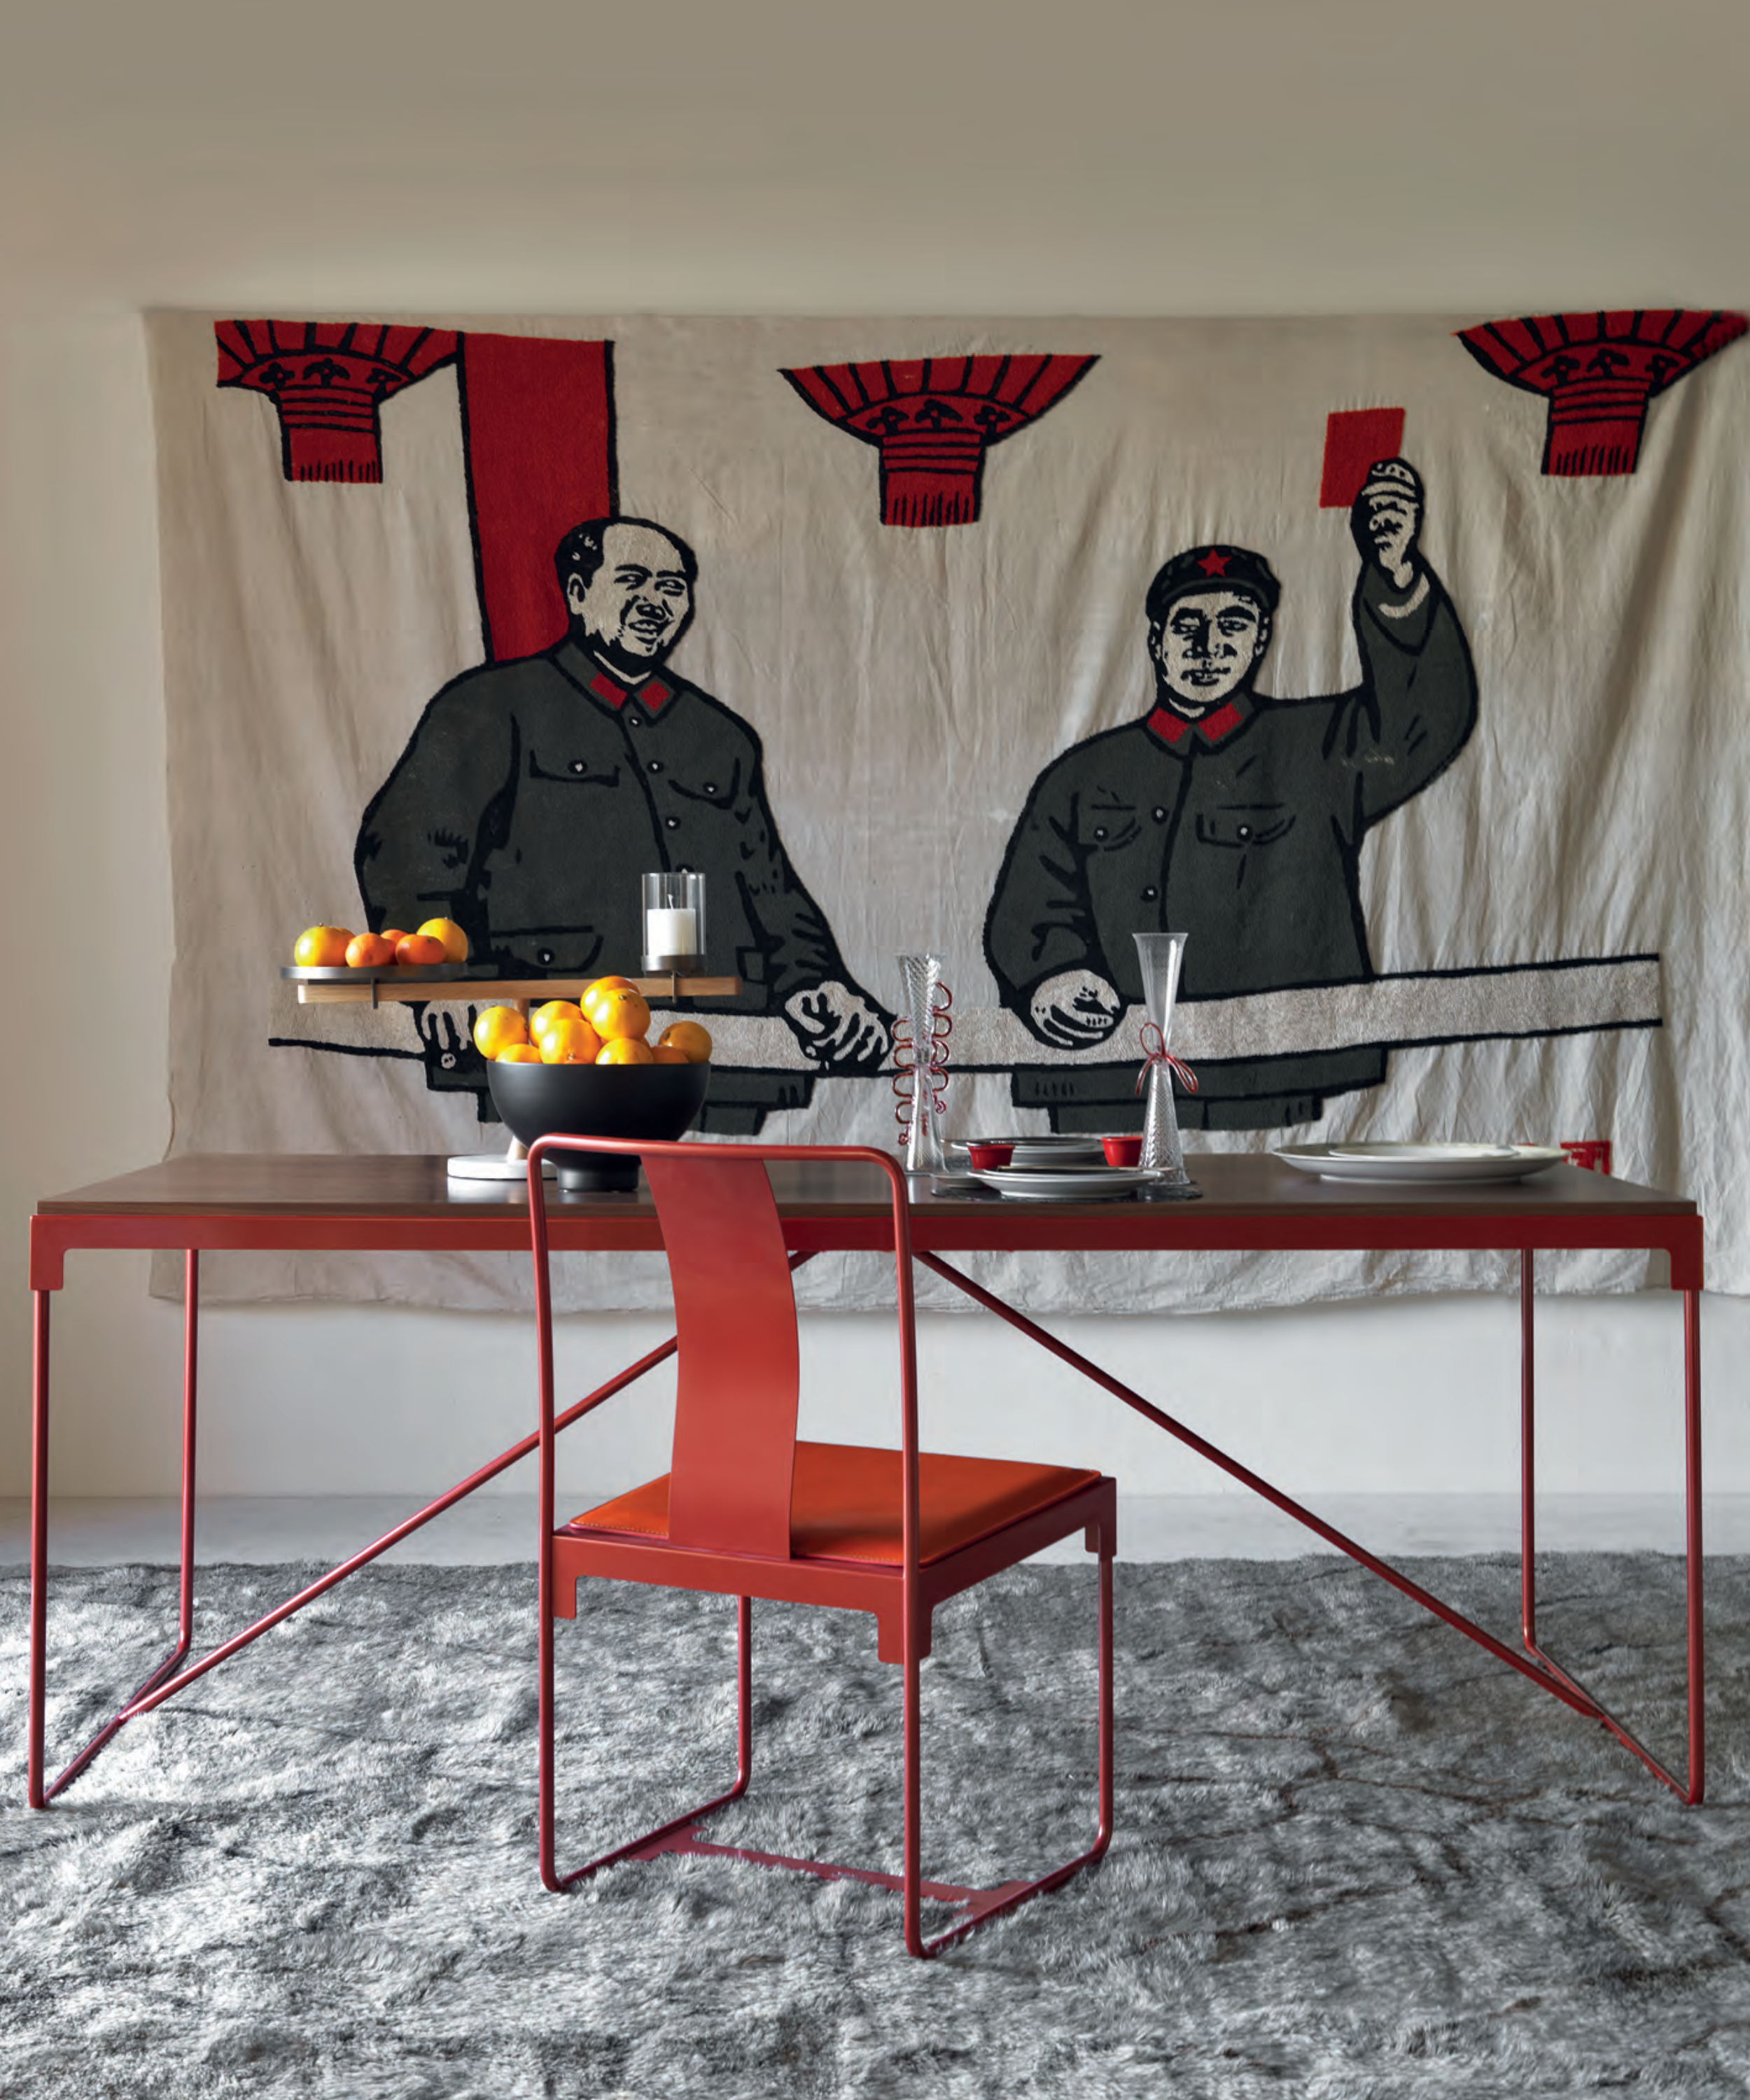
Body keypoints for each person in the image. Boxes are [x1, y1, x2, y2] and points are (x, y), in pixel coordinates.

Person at [983, 458, 1478, 1128]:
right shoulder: (1081, 776)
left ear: (1261, 639)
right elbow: (1029, 907)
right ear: (1156, 642)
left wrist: (1394, 576)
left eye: (1234, 625)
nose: (1209, 646)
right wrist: (1053, 977)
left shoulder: (1320, 749)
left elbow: (1425, 720)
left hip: (1271, 1089)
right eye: (1188, 625)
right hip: (1103, 1089)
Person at [356, 515, 890, 1128]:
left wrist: (817, 982)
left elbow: (772, 892)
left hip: (717, 1056)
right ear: (578, 593)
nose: (654, 602)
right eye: (632, 580)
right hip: (555, 1052)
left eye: (672, 587)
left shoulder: (722, 738)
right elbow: (405, 852)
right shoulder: (488, 706)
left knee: (711, 1195)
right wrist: (443, 984)